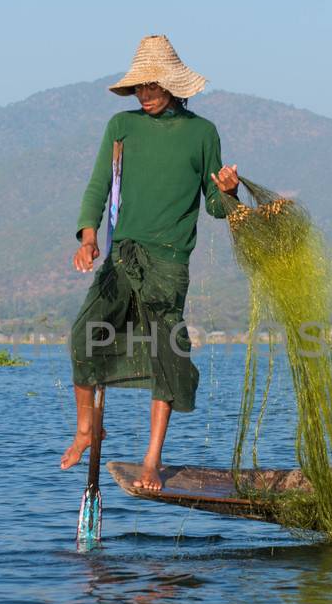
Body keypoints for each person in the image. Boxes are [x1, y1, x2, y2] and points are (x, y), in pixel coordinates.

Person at [61, 35, 240, 493]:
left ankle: (152, 460)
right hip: (122, 256)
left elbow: (217, 209)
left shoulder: (203, 134)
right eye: (139, 87)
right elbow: (98, 186)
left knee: (165, 353)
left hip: (168, 263)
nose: (145, 94)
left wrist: (229, 189)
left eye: (152, 86)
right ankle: (87, 429)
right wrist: (89, 238)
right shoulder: (122, 126)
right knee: (83, 337)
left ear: (172, 84)